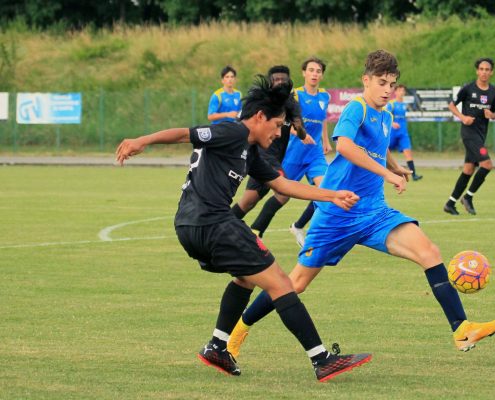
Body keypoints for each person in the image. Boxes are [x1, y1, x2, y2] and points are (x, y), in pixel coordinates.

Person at [228, 50, 495, 359]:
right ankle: (239, 329)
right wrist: (388, 173)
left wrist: (396, 166)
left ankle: (461, 328)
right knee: (295, 283)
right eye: (382, 82)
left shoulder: (386, 115)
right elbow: (345, 146)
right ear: (366, 81)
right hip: (337, 213)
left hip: (374, 211)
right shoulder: (355, 109)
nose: (388, 89)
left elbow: (378, 147)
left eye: (392, 83)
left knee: (429, 252)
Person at [115, 76, 371, 382]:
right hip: (212, 222)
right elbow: (185, 134)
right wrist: (142, 141)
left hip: (190, 225)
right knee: (281, 284)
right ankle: (322, 360)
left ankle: (217, 346)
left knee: (245, 278)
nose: (279, 134)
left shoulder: (250, 151)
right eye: (277, 125)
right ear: (260, 117)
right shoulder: (233, 130)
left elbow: (282, 185)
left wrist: (332, 194)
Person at [250, 56, 331, 247]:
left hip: (315, 153)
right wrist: (297, 132)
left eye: (318, 71)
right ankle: (256, 230)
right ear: (304, 72)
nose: (314, 74)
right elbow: (286, 119)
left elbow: (323, 119)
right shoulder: (295, 95)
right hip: (294, 152)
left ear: (321, 75)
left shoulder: (324, 96)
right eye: (311, 70)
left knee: (326, 190)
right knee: (282, 195)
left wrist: (325, 140)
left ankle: (299, 226)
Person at [231, 65, 314, 223]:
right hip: (262, 155)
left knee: (248, 202)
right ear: (270, 81)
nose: (280, 82)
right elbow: (241, 122)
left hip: (270, 158)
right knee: (284, 193)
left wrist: (300, 129)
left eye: (284, 79)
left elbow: (301, 133)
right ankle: (256, 230)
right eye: (276, 79)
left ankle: (222, 225)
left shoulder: (291, 106)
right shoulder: (260, 102)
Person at [443, 57, 495, 216]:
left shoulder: (494, 91)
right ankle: (468, 197)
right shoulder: (468, 88)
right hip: (469, 133)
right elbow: (451, 105)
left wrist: (492, 114)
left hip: (481, 134)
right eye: (481, 69)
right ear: (477, 71)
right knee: (487, 164)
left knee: (468, 169)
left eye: (487, 69)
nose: (484, 72)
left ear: (491, 72)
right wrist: (463, 117)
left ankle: (450, 203)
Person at [385, 84, 423, 181]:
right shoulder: (391, 104)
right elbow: (385, 116)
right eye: (399, 90)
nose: (401, 92)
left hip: (403, 133)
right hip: (392, 133)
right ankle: (381, 172)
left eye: (403, 91)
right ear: (396, 92)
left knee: (408, 152)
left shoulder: (404, 105)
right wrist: (392, 123)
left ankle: (413, 174)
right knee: (383, 152)